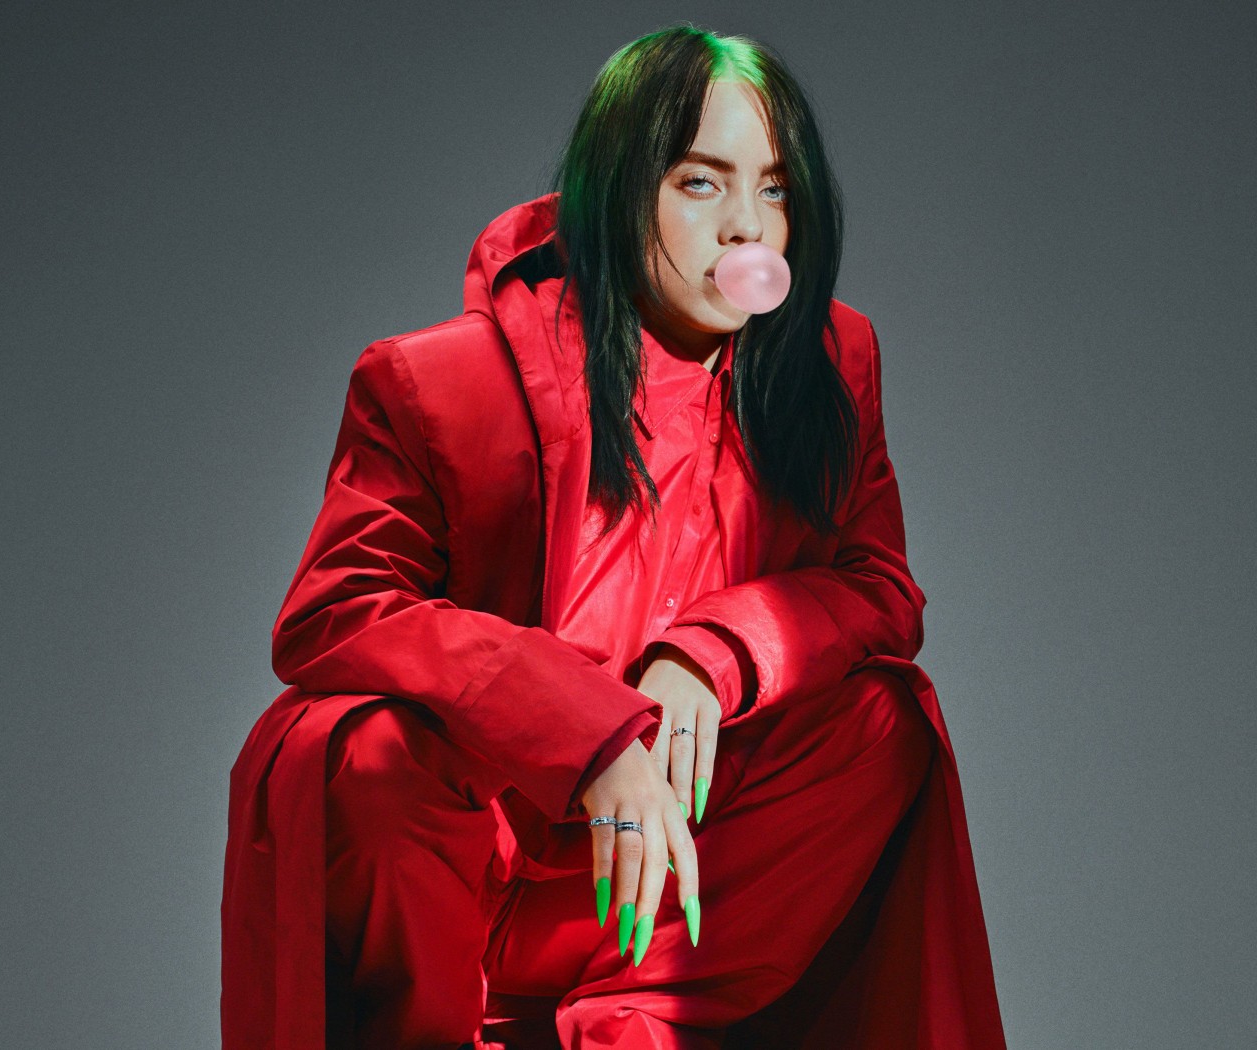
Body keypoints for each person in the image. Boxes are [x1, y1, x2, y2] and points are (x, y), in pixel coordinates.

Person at [222, 23, 1007, 1050]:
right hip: (486, 870)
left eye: (774, 189)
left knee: (884, 719)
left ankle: (636, 1015)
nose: (748, 230)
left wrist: (712, 653)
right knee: (359, 747)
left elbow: (878, 587)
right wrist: (583, 729)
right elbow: (334, 612)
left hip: (681, 889)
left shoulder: (830, 362)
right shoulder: (437, 383)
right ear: (619, 187)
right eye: (700, 183)